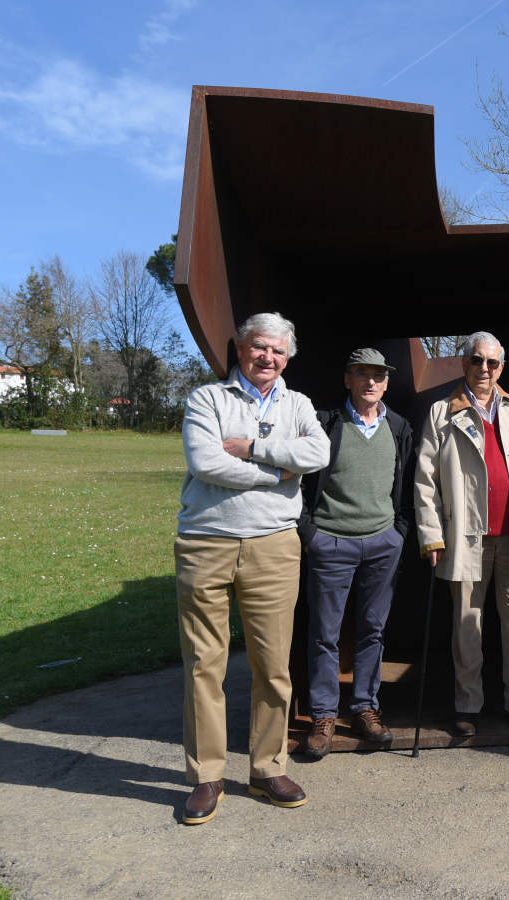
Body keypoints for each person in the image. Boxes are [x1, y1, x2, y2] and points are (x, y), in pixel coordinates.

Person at [174, 312, 330, 825]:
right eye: (260, 347)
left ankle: (266, 769)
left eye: (278, 351)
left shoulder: (298, 404)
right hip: (206, 543)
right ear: (240, 348)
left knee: (273, 666)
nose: (268, 358)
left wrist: (254, 448)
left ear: (288, 357)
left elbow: (320, 451)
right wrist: (280, 473)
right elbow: (207, 463)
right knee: (205, 666)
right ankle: (207, 776)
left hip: (274, 547)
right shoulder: (207, 399)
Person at [414, 331, 509, 735]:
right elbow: (425, 481)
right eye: (477, 360)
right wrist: (430, 534)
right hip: (466, 536)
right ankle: (467, 705)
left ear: (501, 367)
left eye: (492, 363)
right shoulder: (443, 412)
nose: (484, 369)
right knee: (466, 625)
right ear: (464, 363)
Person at [297, 348, 414, 757]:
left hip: (382, 543)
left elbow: (407, 484)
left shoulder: (398, 426)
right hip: (330, 542)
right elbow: (300, 480)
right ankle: (324, 716)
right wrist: (311, 533)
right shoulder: (327, 424)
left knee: (373, 630)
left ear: (386, 382)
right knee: (325, 635)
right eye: (362, 374)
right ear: (347, 379)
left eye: (378, 376)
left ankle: (365, 708)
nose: (371, 382)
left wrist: (398, 533)